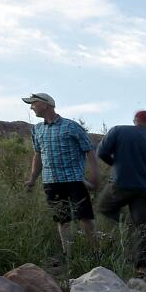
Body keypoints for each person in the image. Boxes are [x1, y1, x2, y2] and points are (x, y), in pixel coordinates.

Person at [22, 92, 100, 251]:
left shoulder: (71, 126)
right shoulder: (37, 129)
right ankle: (68, 255)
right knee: (62, 220)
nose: (31, 107)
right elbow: (38, 154)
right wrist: (32, 179)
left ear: (45, 104)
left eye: (33, 103)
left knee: (85, 218)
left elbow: (89, 151)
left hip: (74, 181)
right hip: (51, 181)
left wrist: (94, 176)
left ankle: (97, 253)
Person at [96, 110, 146, 273]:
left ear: (135, 120)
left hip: (120, 184)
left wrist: (115, 164)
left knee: (103, 207)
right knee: (143, 227)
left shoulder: (118, 130)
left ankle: (128, 223)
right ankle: (141, 266)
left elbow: (101, 152)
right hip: (145, 191)